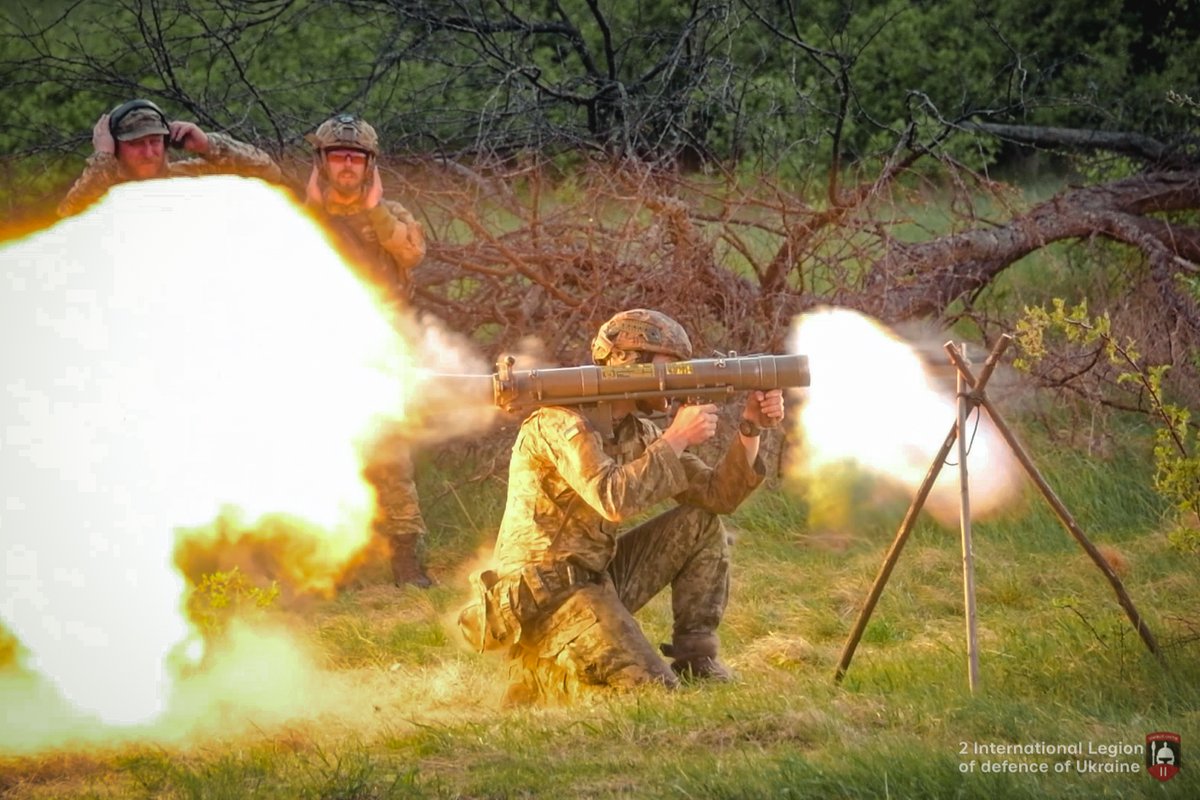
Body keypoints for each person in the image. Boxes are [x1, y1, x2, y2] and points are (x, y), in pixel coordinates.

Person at [461, 309, 786, 705]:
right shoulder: (560, 423)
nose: (680, 378)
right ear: (630, 364)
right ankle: (541, 675)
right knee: (653, 693)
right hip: (545, 596)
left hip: (596, 578)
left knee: (700, 522)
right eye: (670, 367)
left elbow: (718, 496)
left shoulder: (637, 430)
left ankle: (696, 658)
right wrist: (677, 439)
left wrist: (751, 426)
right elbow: (612, 498)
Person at [304, 113, 432, 588]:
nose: (346, 166)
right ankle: (332, 563)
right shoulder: (301, 218)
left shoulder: (390, 215)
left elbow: (411, 253)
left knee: (392, 456)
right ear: (322, 161)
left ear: (370, 164)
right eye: (337, 156)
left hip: (381, 350)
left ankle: (408, 560)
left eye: (355, 158)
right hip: (318, 351)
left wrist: (376, 209)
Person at [57, 99, 281, 217]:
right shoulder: (103, 195)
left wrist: (208, 145)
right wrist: (103, 158)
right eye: (135, 144)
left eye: (154, 141)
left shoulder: (190, 177)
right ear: (116, 147)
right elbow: (70, 216)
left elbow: (268, 172)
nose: (148, 153)